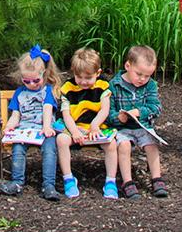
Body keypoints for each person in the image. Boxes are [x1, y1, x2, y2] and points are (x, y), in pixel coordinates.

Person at [0, 45, 63, 201]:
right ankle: (17, 182)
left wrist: (47, 127)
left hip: (43, 129)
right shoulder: (20, 93)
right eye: (26, 81)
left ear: (44, 74)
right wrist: (9, 127)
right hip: (25, 130)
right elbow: (16, 114)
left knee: (49, 149)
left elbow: (48, 109)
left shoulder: (47, 91)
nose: (31, 84)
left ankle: (48, 185)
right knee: (18, 148)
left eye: (36, 80)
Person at [105, 44, 169, 198]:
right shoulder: (114, 85)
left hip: (143, 127)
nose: (142, 79)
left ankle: (156, 179)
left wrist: (140, 112)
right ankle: (128, 182)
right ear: (128, 65)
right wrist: (118, 118)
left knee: (151, 145)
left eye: (147, 76)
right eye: (139, 74)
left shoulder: (150, 86)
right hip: (122, 129)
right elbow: (108, 113)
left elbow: (156, 107)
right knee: (124, 146)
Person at [54, 48, 113, 198]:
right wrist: (74, 131)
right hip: (74, 126)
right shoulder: (68, 88)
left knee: (111, 144)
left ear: (98, 73)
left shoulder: (102, 86)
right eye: (79, 77)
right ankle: (68, 178)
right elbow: (66, 114)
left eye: (88, 77)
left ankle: (110, 181)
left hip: (95, 126)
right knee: (61, 140)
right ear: (73, 72)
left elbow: (105, 109)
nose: (83, 81)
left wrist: (95, 126)